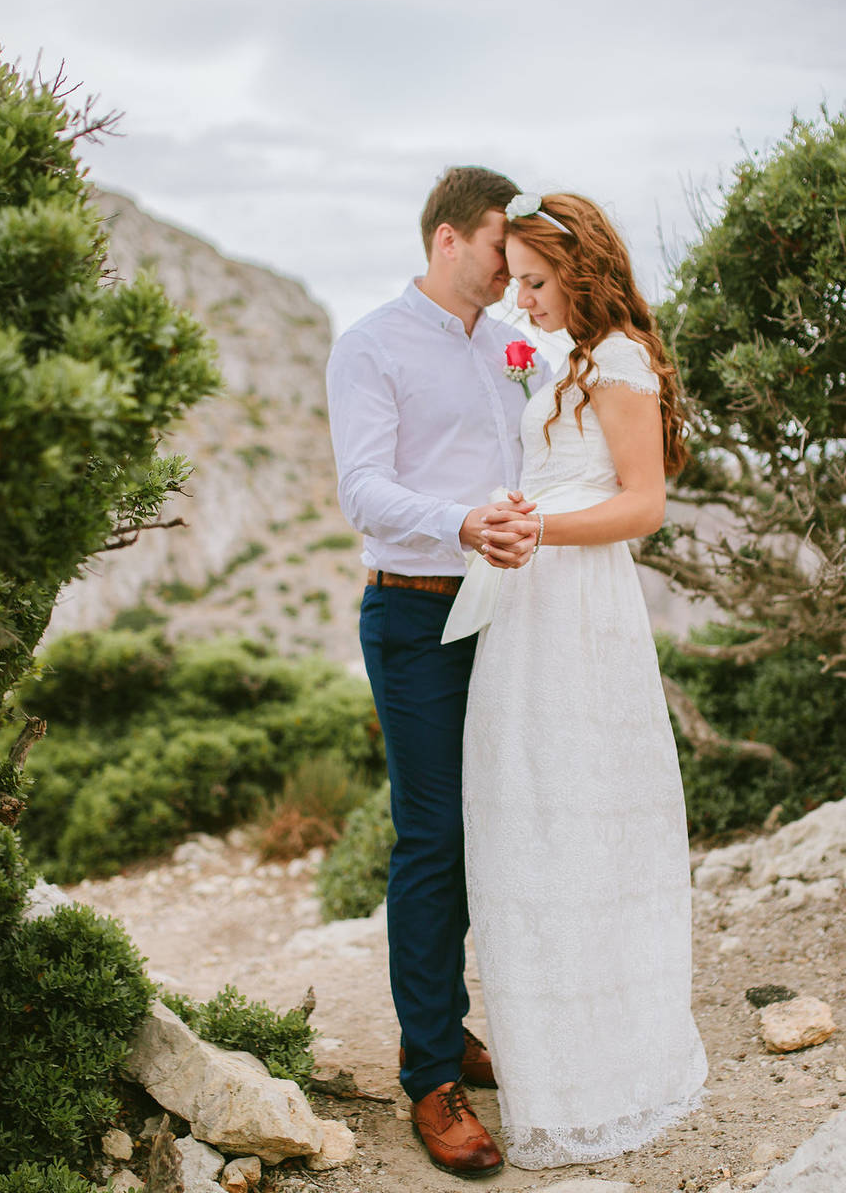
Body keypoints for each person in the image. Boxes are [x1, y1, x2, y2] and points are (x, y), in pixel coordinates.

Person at [449, 191, 707, 1169]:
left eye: (536, 280)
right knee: (531, 815)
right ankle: (550, 1052)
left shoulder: (624, 360)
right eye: (515, 280)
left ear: (583, 269)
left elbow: (642, 505)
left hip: (582, 609)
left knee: (586, 813)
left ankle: (609, 1061)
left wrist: (542, 526)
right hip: (532, 604)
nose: (522, 298)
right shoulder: (568, 363)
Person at [324, 165, 547, 1178]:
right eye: (505, 244)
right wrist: (457, 521)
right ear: (450, 239)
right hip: (415, 615)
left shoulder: (512, 347)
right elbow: (363, 491)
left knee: (495, 825)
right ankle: (428, 1076)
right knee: (433, 834)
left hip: (508, 613)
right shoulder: (371, 344)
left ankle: (448, 1022)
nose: (516, 265)